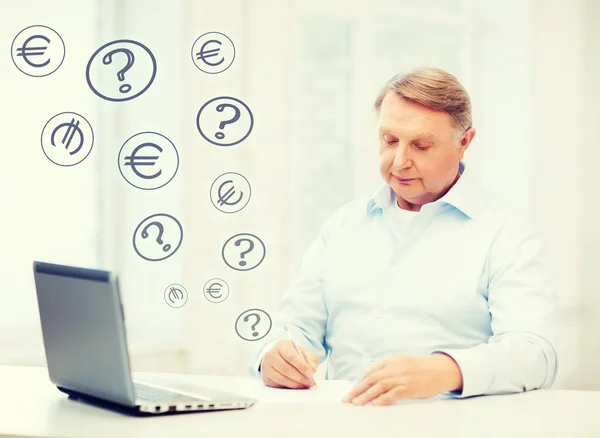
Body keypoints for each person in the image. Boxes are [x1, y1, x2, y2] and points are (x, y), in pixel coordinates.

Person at [248, 66, 558, 406]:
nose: (399, 162)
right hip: (344, 424)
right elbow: (295, 328)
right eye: (389, 140)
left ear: (464, 142)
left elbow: (535, 353)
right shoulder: (342, 227)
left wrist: (445, 371)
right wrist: (273, 356)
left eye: (421, 145)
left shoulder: (506, 233)